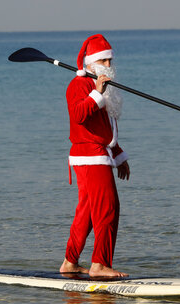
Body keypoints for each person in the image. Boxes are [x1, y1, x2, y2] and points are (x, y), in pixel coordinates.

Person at [59, 34, 130, 277]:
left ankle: (70, 262)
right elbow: (78, 115)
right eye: (104, 61)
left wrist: (118, 154)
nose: (109, 66)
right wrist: (96, 92)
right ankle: (99, 264)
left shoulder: (100, 86)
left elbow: (104, 128)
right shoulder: (78, 85)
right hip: (89, 156)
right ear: (91, 63)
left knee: (88, 213)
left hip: (100, 153)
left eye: (111, 61)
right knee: (108, 207)